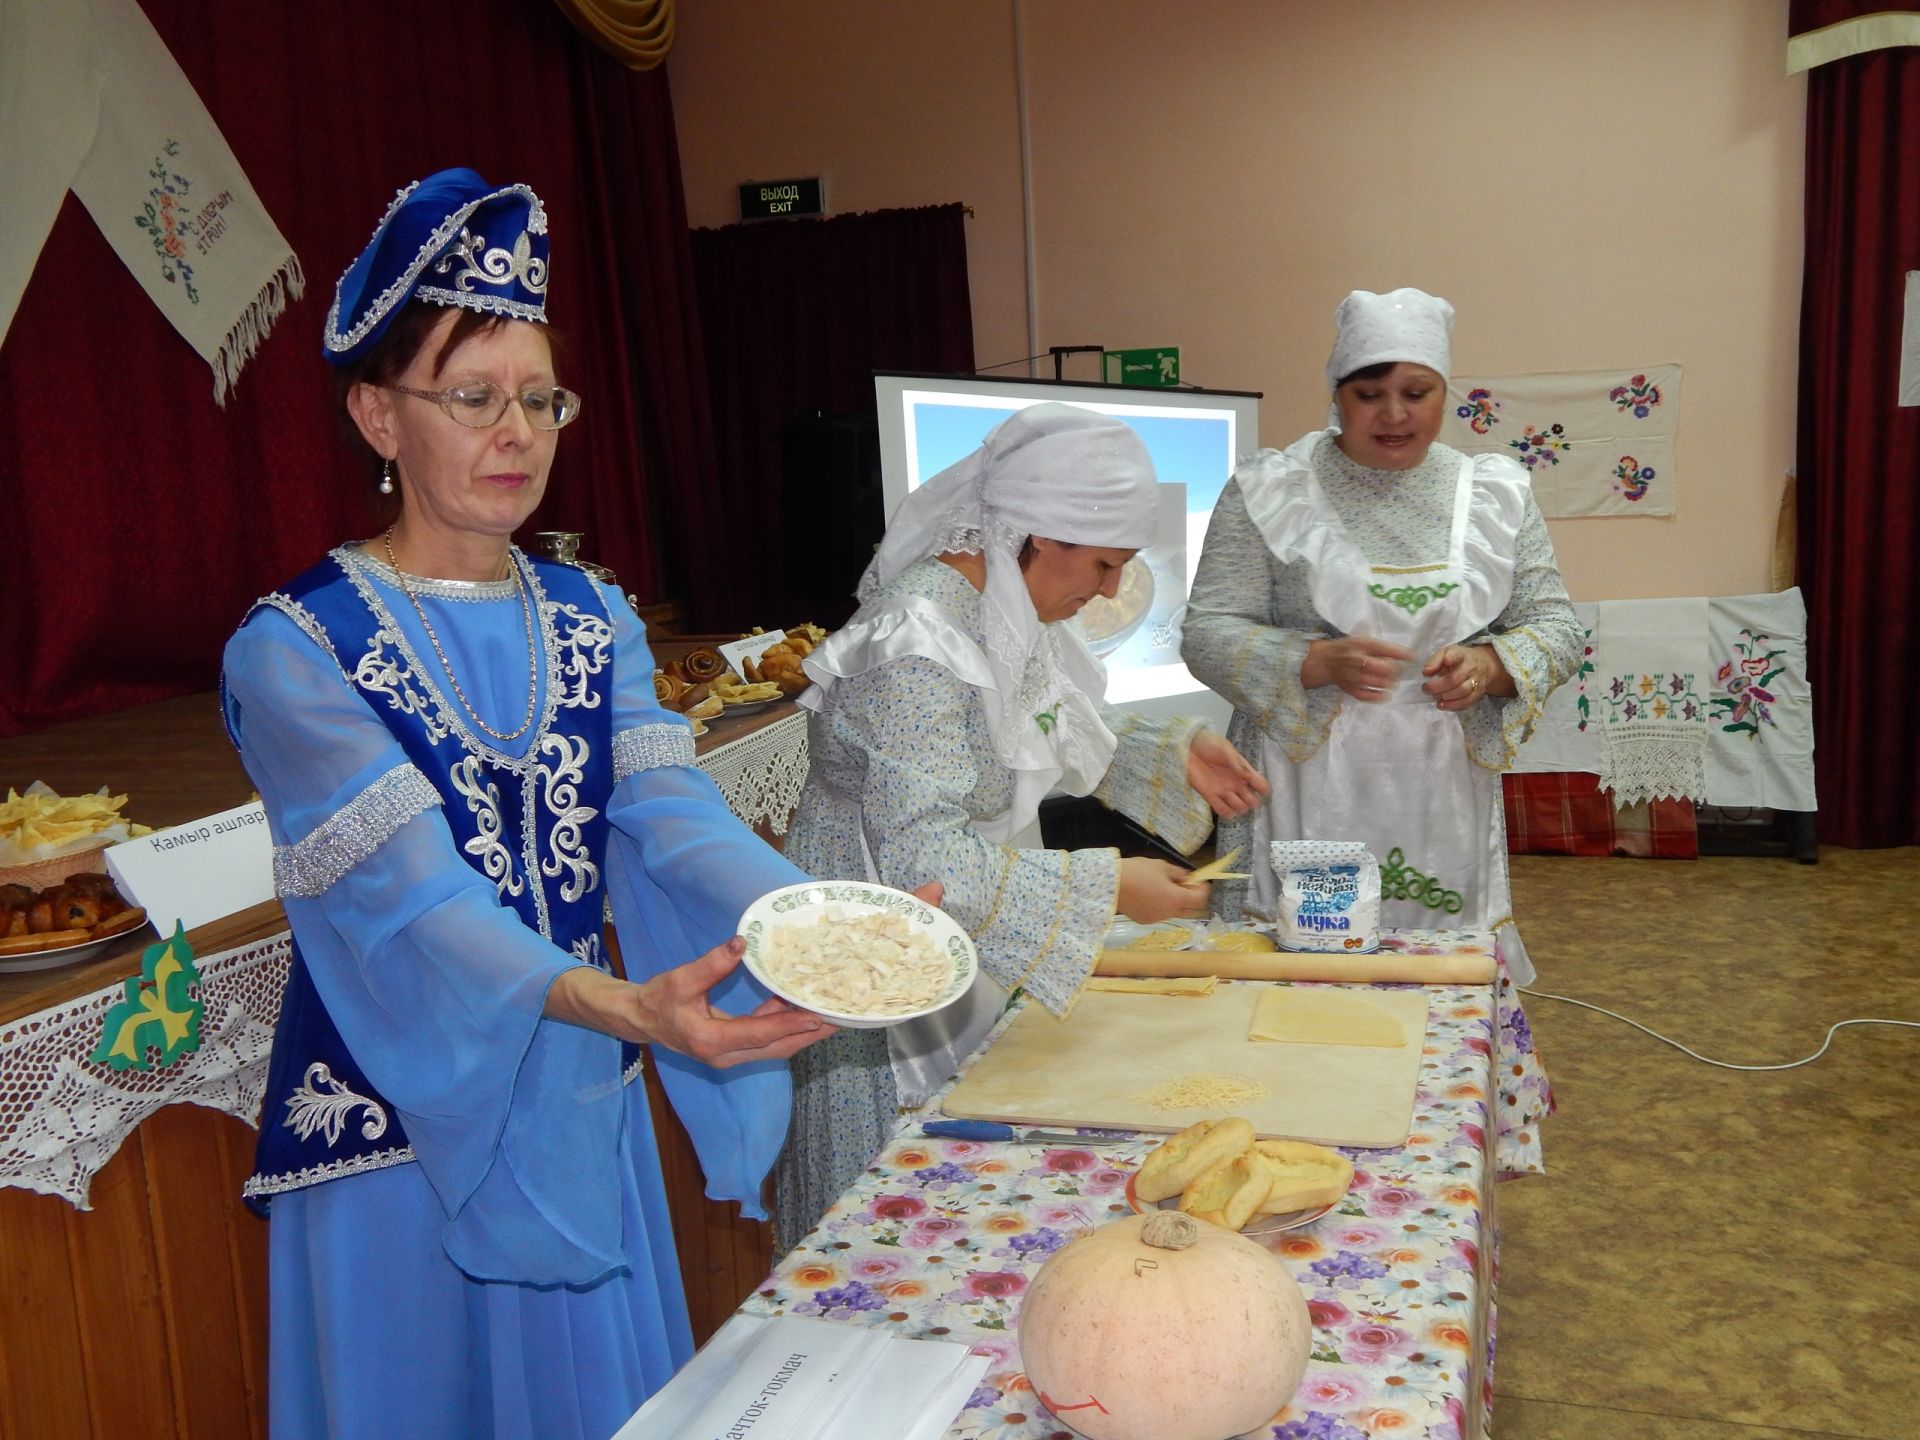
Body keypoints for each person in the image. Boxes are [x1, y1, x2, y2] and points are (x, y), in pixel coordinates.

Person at [221, 168, 853, 1440]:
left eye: (539, 399)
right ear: (377, 417)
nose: (516, 432)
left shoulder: (591, 612)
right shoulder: (295, 647)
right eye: (472, 399)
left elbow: (672, 816)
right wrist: (619, 1005)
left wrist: (831, 918)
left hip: (571, 1080)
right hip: (391, 1115)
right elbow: (414, 905)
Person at [773, 402, 1269, 1243]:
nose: (1112, 590)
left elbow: (1031, 726)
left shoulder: (995, 605)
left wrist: (1171, 748)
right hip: (884, 956)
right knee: (889, 1219)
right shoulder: (918, 642)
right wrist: (1109, 882)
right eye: (1105, 564)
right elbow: (922, 859)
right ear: (1034, 536)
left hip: (950, 928)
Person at [1181, 287, 1580, 1175]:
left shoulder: (1497, 493)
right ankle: (1281, 1140)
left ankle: (1434, 1160)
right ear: (1335, 394)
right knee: (1299, 976)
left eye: (1416, 391)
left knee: (1432, 979)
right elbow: (1205, 628)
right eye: (1369, 393)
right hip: (1300, 787)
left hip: (1441, 793)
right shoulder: (1267, 491)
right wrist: (1309, 663)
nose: (1394, 414)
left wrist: (1493, 665)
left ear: (1447, 393)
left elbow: (1557, 623)